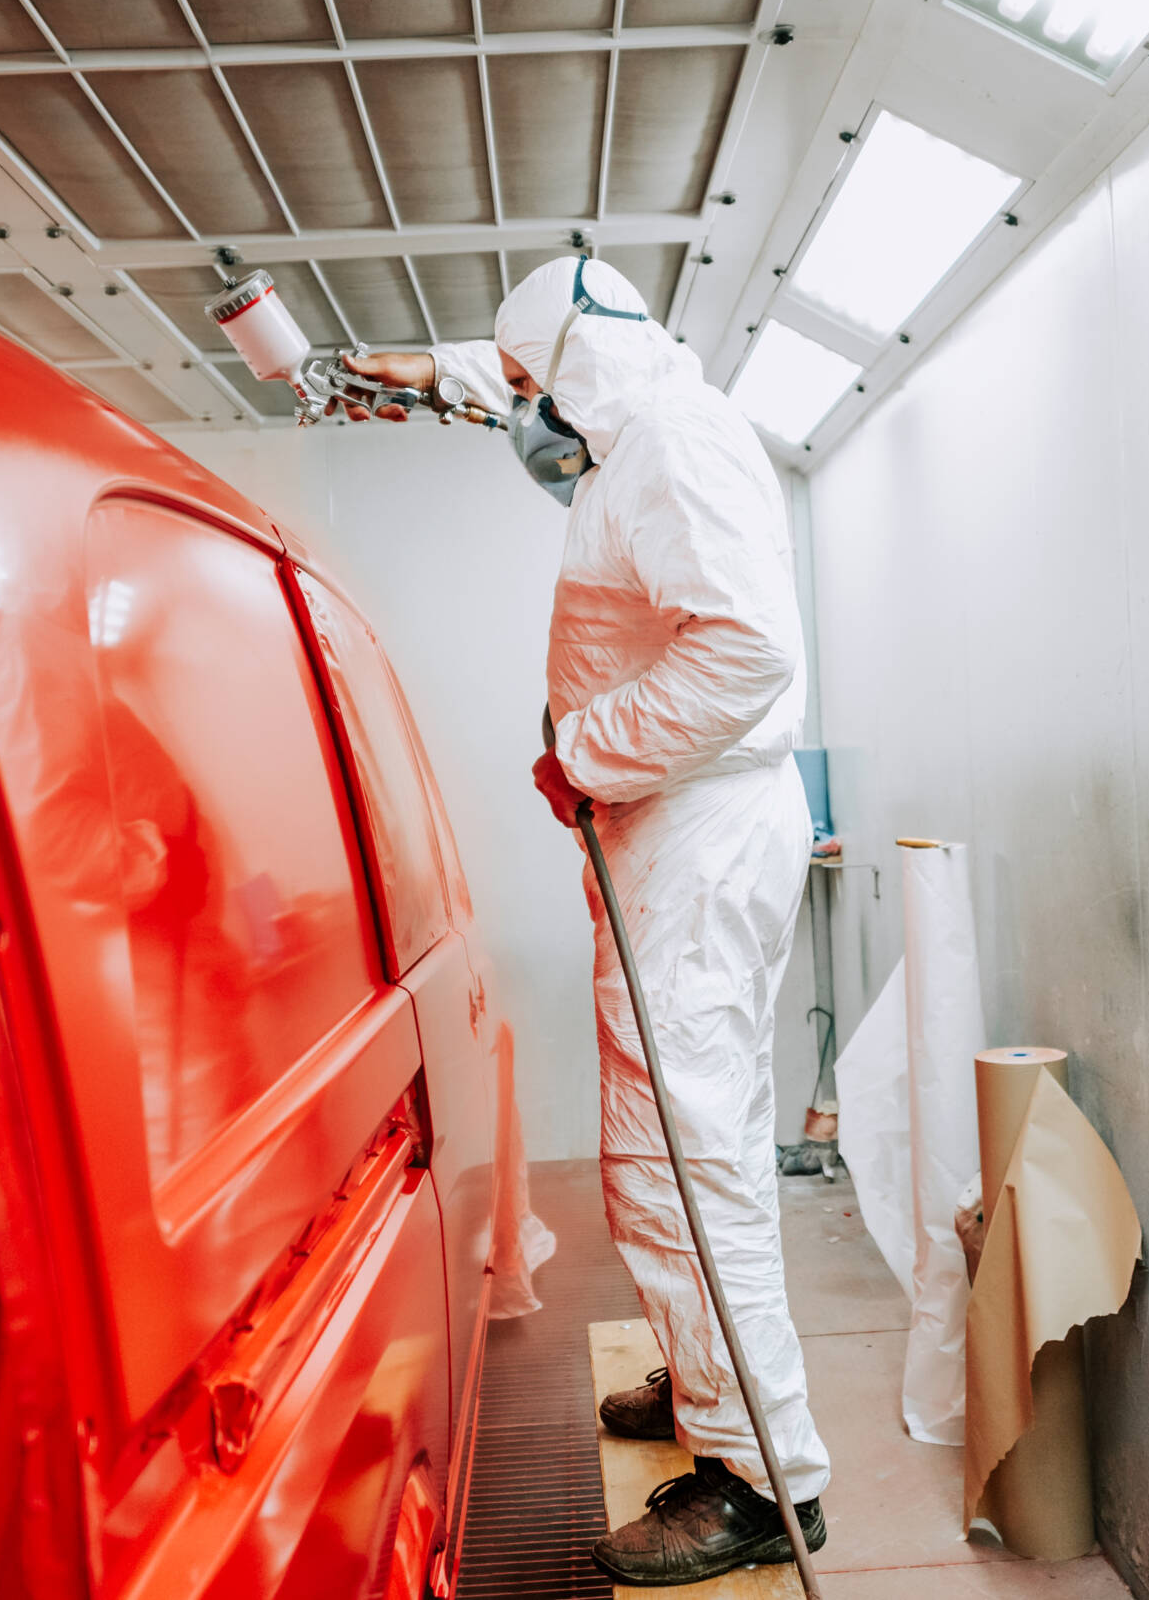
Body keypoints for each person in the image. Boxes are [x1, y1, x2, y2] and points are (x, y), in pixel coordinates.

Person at [340, 256, 830, 1585]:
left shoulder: (670, 443)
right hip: (681, 829)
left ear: (580, 364)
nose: (522, 413)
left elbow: (746, 653)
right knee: (683, 1141)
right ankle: (707, 1381)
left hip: (694, 833)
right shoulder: (635, 422)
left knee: (682, 1156)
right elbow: (524, 365)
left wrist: (584, 752)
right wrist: (412, 373)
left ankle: (758, 1477)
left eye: (527, 385)